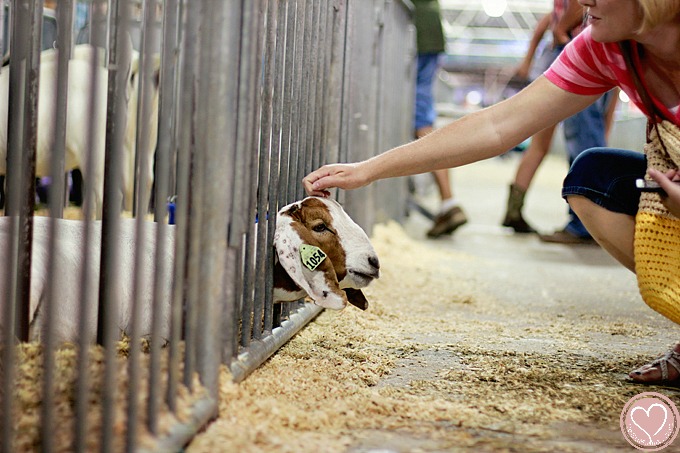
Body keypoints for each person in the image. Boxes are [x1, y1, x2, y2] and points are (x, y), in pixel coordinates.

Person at [304, 0, 680, 385]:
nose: (583, 2)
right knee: (593, 179)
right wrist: (369, 170)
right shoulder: (605, 47)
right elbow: (499, 125)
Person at [502, 0, 617, 245]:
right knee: (580, 138)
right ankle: (587, 222)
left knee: (554, 142)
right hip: (572, 44)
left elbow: (564, 11)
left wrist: (558, 30)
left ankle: (585, 223)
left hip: (567, 45)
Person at [412, 0, 468, 238]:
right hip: (428, 30)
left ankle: (449, 201)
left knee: (421, 123)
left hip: (418, 31)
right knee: (422, 117)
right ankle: (448, 202)